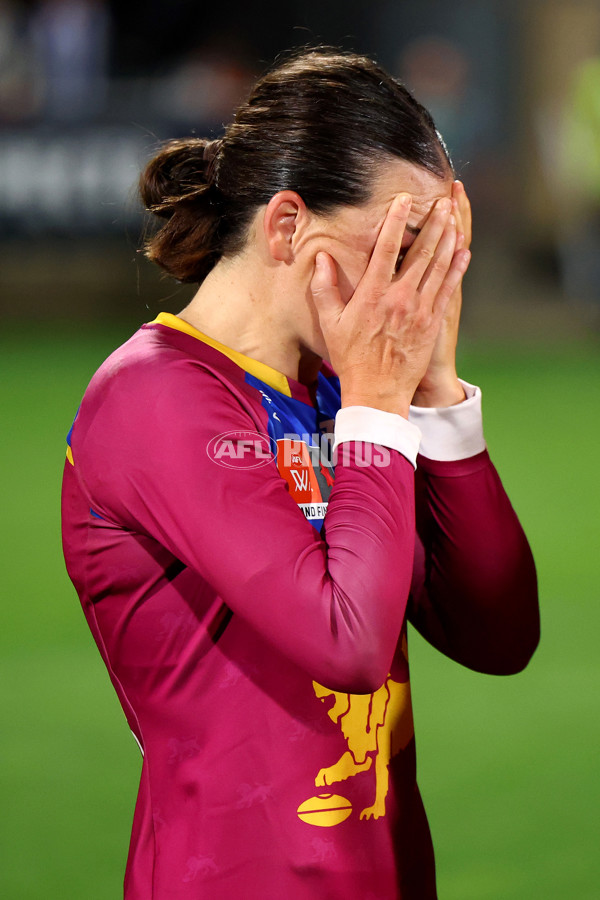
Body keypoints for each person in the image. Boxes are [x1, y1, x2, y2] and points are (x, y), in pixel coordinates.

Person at [61, 48, 539, 900]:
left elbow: (499, 636)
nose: (415, 292)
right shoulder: (156, 396)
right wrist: (379, 405)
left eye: (433, 253)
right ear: (287, 228)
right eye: (399, 245)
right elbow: (348, 643)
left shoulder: (348, 391)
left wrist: (434, 396)